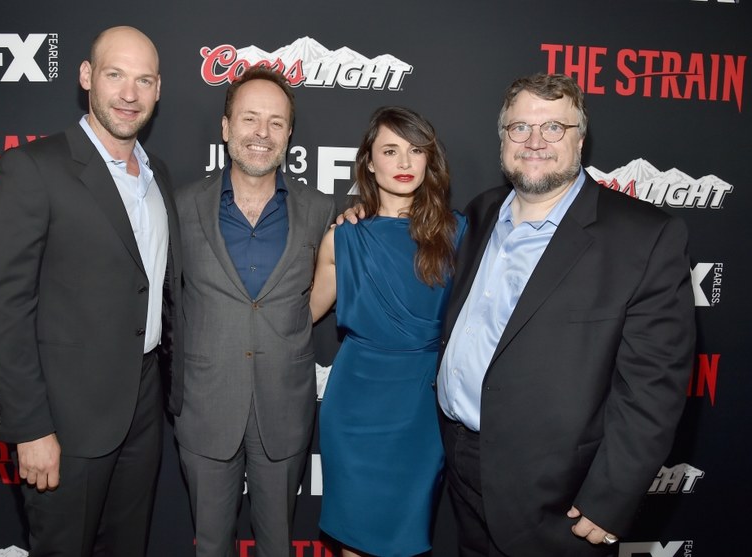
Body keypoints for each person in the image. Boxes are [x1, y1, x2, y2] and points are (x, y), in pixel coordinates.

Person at [436, 73, 696, 556]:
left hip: (560, 497)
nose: (535, 141)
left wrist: (611, 498)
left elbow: (653, 387)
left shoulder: (644, 237)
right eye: (519, 128)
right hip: (461, 465)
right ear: (502, 139)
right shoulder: (481, 212)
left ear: (580, 139)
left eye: (554, 128)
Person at [0, 26, 182, 556]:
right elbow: (4, 309)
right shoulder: (33, 169)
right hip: (65, 420)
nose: (129, 94)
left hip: (142, 404)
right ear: (87, 77)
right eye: (115, 75)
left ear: (159, 90)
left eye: (144, 80)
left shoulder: (157, 173)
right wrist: (31, 430)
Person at [173, 66, 335, 557]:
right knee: (211, 546)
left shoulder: (321, 210)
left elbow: (319, 292)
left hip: (283, 407)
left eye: (276, 122)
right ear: (226, 128)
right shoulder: (180, 206)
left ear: (289, 134)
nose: (261, 134)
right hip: (205, 407)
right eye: (249, 119)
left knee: (278, 545)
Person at [310, 106, 467, 557]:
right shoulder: (345, 237)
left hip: (421, 408)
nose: (403, 163)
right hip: (356, 408)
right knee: (354, 544)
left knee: (405, 538)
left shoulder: (459, 234)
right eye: (390, 151)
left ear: (428, 160)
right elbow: (299, 317)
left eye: (415, 151)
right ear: (369, 162)